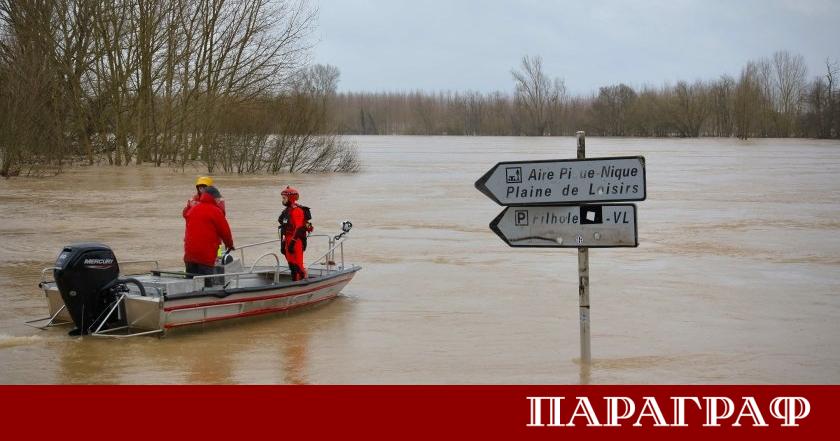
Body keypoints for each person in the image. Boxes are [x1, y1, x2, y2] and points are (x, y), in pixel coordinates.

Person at [184, 186, 234, 287]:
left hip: (189, 255)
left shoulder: (193, 209)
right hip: (205, 257)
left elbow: (186, 217)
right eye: (218, 198)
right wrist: (230, 245)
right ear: (213, 198)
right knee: (207, 286)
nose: (219, 200)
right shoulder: (216, 211)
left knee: (190, 285)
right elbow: (225, 232)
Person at [278, 186, 309, 281]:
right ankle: (295, 281)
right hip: (288, 239)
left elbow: (299, 228)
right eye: (282, 198)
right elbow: (284, 226)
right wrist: (283, 243)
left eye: (284, 198)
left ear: (290, 198)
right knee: (291, 265)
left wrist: (293, 242)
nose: (283, 200)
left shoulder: (297, 211)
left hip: (296, 240)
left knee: (298, 265)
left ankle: (303, 278)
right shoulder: (286, 211)